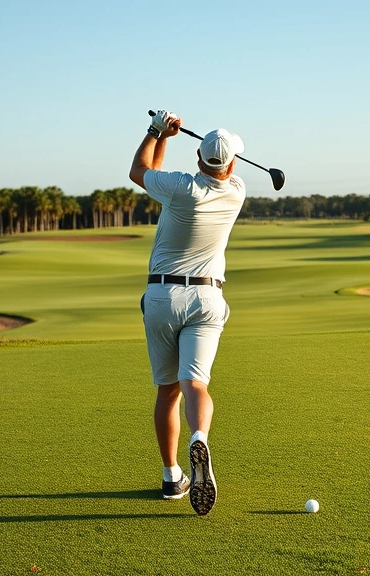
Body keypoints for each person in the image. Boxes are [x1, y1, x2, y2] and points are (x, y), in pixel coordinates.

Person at [129, 110, 247, 515]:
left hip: (163, 297)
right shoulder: (237, 190)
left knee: (168, 390)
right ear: (230, 164)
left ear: (198, 158)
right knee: (195, 384)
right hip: (208, 300)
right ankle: (200, 435)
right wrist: (167, 137)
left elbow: (140, 171)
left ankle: (171, 476)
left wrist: (158, 132)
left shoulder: (180, 188)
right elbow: (204, 168)